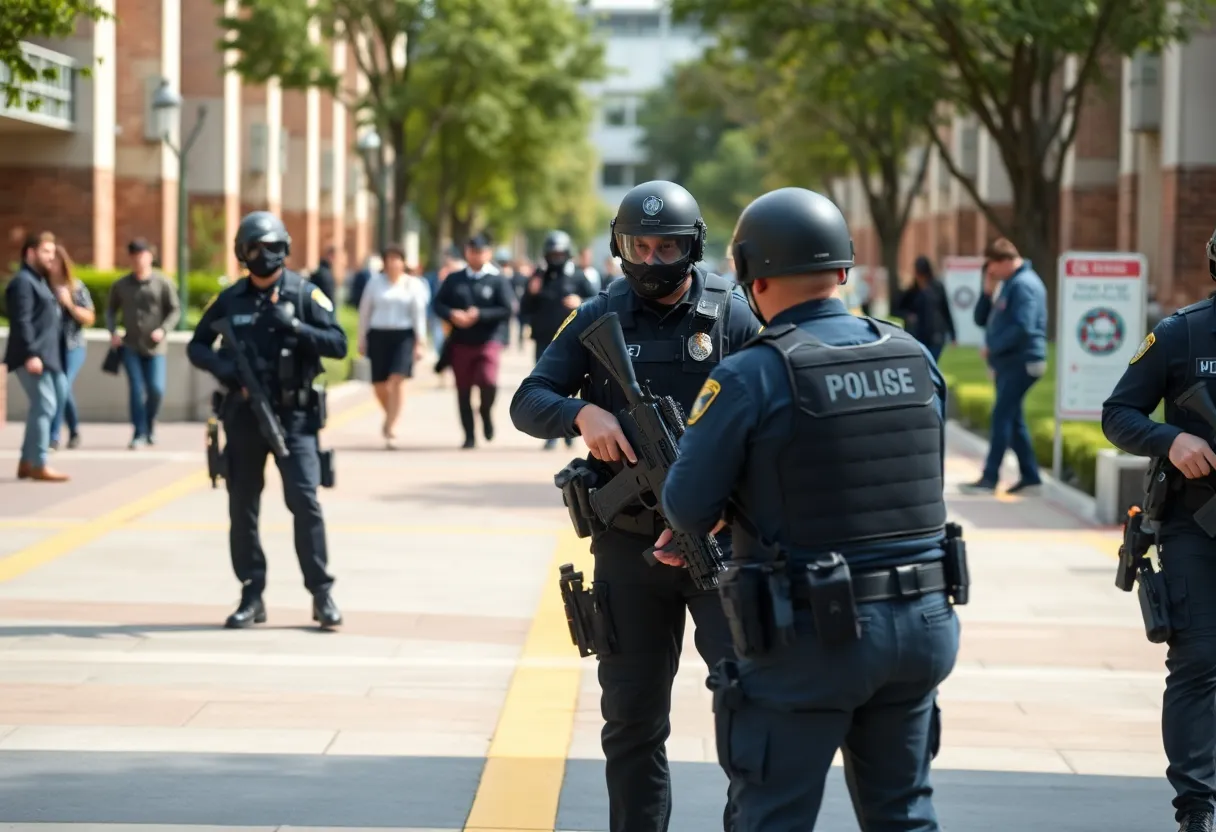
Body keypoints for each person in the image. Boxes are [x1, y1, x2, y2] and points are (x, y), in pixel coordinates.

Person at [661, 187, 961, 832]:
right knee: (904, 812)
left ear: (748, 276)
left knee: (772, 816)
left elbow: (686, 507)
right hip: (924, 624)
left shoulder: (752, 374)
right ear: (845, 272)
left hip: (811, 634)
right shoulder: (913, 357)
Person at [509, 180, 762, 832]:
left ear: (692, 247)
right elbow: (527, 401)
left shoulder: (732, 313)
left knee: (749, 708)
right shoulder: (599, 315)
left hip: (720, 542)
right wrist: (581, 412)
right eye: (638, 247)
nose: (652, 261)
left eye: (666, 247)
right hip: (627, 546)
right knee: (629, 721)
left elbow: (776, 412)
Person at [1101, 226, 1216, 832]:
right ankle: (1196, 807)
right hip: (1196, 522)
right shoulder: (1181, 334)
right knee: (1199, 659)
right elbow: (1117, 414)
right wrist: (1172, 439)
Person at [187, 211, 347, 630]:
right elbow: (197, 346)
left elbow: (339, 344)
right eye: (254, 248)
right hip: (243, 417)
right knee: (243, 507)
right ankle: (251, 594)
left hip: (295, 419)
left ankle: (321, 594)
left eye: (271, 247)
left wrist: (297, 328)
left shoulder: (304, 294)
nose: (263, 256)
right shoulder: (230, 299)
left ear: (285, 249)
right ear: (241, 253)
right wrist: (226, 368)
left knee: (305, 502)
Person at [961, 237, 1048, 494]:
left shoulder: (1024, 285)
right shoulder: (1009, 283)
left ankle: (990, 478)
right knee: (1014, 420)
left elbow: (1024, 327)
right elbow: (980, 318)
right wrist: (987, 290)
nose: (991, 273)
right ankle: (1030, 475)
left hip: (1022, 362)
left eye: (993, 268)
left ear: (1006, 261)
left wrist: (993, 348)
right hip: (1010, 362)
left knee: (1001, 417)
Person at [431, 233, 516, 449]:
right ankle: (469, 435)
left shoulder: (497, 279)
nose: (475, 255)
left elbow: (508, 309)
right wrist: (452, 314)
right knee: (463, 389)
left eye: (480, 251)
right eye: (472, 251)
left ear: (488, 253)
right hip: (461, 342)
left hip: (489, 340)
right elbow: (438, 304)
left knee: (488, 381)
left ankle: (485, 413)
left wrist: (480, 314)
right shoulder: (455, 278)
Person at [519, 230, 597, 450]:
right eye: (552, 254)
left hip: (573, 341)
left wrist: (580, 301)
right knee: (546, 385)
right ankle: (551, 434)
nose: (556, 258)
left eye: (559, 254)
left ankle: (570, 427)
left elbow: (598, 301)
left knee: (572, 384)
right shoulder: (538, 277)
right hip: (544, 341)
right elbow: (524, 309)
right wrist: (531, 293)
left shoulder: (578, 276)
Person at [4, 231, 69, 481]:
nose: (51, 257)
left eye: (53, 252)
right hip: (31, 356)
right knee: (45, 405)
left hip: (48, 357)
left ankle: (26, 461)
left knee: (45, 406)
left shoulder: (39, 281)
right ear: (30, 253)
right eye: (46, 252)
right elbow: (22, 321)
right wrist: (31, 354)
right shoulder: (23, 282)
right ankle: (39, 463)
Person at [105, 238, 182, 449]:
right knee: (136, 389)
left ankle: (150, 424)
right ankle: (139, 432)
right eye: (135, 256)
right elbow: (110, 311)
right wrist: (113, 332)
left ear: (150, 256)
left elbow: (175, 310)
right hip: (130, 345)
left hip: (155, 347)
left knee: (156, 389)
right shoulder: (121, 285)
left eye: (143, 255)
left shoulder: (162, 282)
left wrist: (163, 330)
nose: (139, 260)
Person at [357, 244, 429, 448]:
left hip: (403, 336)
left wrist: (420, 341)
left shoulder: (412, 284)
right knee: (379, 384)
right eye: (390, 258)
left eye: (397, 258)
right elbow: (365, 311)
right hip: (378, 335)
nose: (393, 263)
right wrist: (361, 338)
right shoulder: (375, 283)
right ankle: (391, 414)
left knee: (397, 379)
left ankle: (391, 426)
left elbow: (419, 314)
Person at [49, 244, 96, 450]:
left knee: (63, 386)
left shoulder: (75, 287)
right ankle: (74, 429)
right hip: (51, 347)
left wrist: (68, 304)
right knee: (60, 389)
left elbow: (89, 317)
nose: (51, 264)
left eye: (55, 260)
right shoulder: (41, 286)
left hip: (73, 346)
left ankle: (54, 435)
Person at [897, 255, 956, 362]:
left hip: (935, 334)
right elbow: (898, 308)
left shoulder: (937, 287)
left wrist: (953, 333)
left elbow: (945, 310)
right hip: (917, 333)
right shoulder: (911, 291)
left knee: (930, 363)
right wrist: (908, 316)